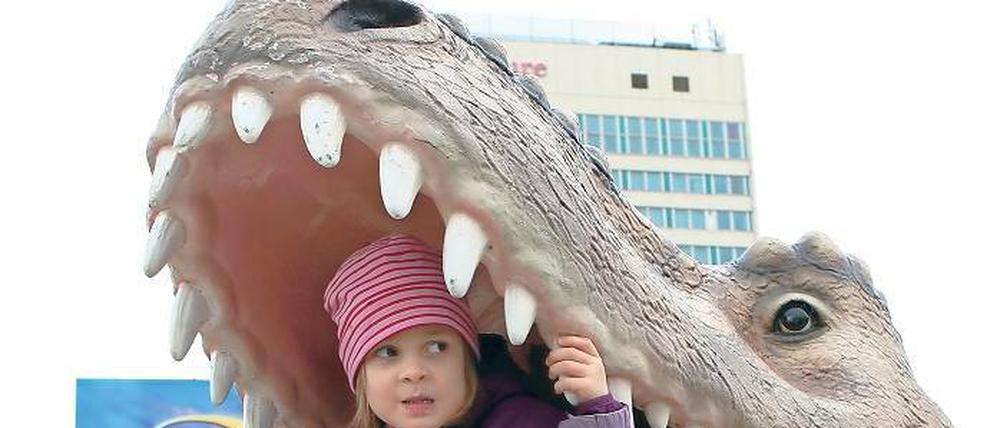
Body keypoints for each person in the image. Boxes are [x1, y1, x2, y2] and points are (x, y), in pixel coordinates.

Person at [323, 234, 630, 428]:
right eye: (388, 352)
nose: (414, 372)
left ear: (467, 359)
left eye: (436, 347)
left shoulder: (519, 421)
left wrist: (598, 408)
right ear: (360, 377)